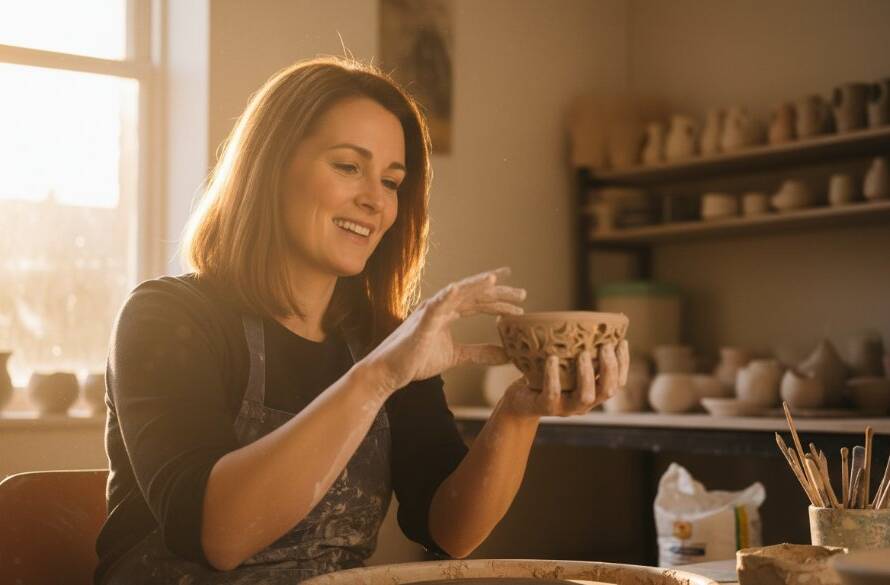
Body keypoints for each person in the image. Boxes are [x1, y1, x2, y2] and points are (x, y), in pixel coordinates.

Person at [94, 56, 629, 584]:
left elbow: (448, 530)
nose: (376, 200)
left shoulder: (382, 338)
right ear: (269, 167)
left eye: (392, 181)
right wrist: (379, 376)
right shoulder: (165, 318)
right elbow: (221, 536)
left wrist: (517, 414)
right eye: (348, 166)